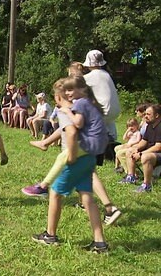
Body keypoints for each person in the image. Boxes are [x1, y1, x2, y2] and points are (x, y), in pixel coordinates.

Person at [24, 75, 122, 226]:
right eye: (67, 90)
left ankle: (43, 186)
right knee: (87, 194)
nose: (69, 93)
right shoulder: (89, 101)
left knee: (62, 166)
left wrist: (67, 112)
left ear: (57, 97)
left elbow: (73, 129)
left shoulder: (76, 106)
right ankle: (100, 236)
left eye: (71, 90)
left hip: (89, 145)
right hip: (98, 145)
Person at [31, 78, 109, 254]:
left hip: (77, 157)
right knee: (87, 197)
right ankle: (100, 243)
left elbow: (72, 132)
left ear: (57, 97)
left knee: (55, 193)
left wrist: (72, 156)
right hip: (89, 156)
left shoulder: (68, 109)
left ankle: (50, 236)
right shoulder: (85, 103)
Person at [121, 104, 161, 192]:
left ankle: (147, 185)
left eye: (148, 114)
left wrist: (142, 153)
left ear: (157, 115)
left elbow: (158, 147)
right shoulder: (150, 125)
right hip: (152, 151)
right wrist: (136, 149)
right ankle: (131, 177)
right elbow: (144, 141)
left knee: (146, 157)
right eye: (145, 114)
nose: (145, 116)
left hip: (158, 153)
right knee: (130, 151)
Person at [82, 50, 121, 142]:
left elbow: (76, 87)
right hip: (116, 111)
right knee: (107, 122)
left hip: (104, 111)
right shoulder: (106, 74)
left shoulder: (89, 77)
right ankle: (111, 141)